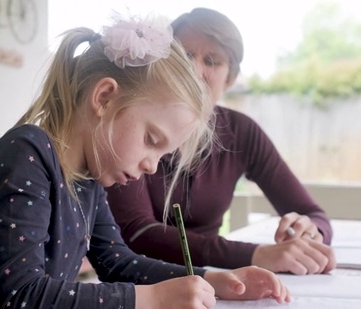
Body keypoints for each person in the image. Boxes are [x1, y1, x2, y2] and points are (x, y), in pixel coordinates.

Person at [0, 14, 290, 309]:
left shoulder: (88, 181)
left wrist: (213, 278)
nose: (151, 167)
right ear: (104, 97)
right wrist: (151, 301)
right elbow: (22, 296)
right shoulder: (27, 153)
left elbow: (117, 262)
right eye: (151, 140)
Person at [106, 8, 336, 276]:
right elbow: (138, 231)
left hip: (220, 284)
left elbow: (312, 213)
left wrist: (310, 232)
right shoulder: (132, 122)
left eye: (212, 61)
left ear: (231, 78)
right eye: (185, 55)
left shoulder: (241, 131)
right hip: (140, 284)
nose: (194, 69)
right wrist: (255, 255)